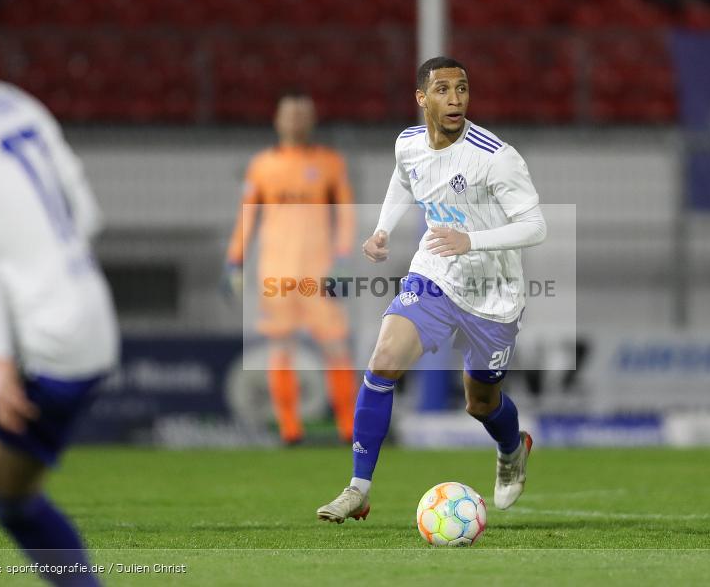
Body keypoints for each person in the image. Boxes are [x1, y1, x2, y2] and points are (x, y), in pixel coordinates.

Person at [317, 57, 547, 523]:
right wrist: (382, 229)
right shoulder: (408, 143)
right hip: (436, 272)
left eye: (462, 88)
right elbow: (404, 179)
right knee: (383, 360)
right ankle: (358, 487)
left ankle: (511, 448)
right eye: (443, 89)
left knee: (480, 403)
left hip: (494, 291)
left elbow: (535, 226)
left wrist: (471, 241)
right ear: (422, 97)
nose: (456, 99)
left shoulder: (495, 157)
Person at [0, 19, 118, 586]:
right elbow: (87, 215)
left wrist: (1, 361)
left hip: (38, 343)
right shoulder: (16, 103)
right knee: (10, 494)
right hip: (93, 326)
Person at [225, 91, 357, 445]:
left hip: (320, 274)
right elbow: (247, 218)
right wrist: (234, 260)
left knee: (336, 346)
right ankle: (289, 428)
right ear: (277, 120)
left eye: (302, 114)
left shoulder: (330, 163)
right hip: (277, 273)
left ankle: (349, 427)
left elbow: (345, 215)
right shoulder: (262, 166)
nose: (296, 120)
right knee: (281, 346)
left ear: (312, 120)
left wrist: (342, 260)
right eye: (290, 114)